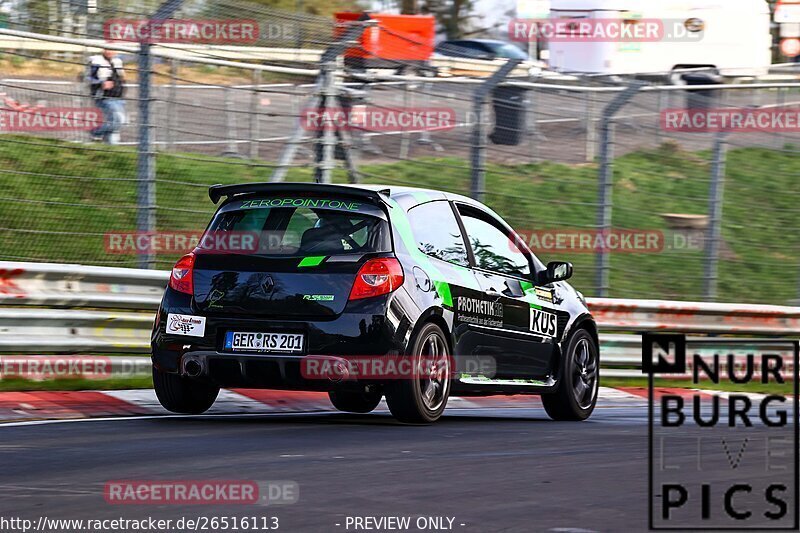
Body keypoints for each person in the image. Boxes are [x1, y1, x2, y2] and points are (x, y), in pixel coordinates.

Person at [87, 49, 126, 144]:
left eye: (113, 49)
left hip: (118, 96)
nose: (110, 52)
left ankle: (111, 148)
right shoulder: (96, 61)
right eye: (107, 49)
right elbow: (87, 77)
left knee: (115, 123)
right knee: (119, 120)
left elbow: (122, 76)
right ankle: (95, 132)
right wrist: (101, 83)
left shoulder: (117, 62)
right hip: (104, 96)